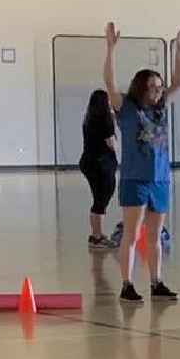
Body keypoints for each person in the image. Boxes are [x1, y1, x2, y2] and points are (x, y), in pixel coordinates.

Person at [103, 22, 180, 304]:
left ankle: (156, 281)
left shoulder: (161, 110)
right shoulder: (127, 109)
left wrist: (179, 51)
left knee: (155, 235)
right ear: (141, 88)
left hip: (160, 179)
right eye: (153, 87)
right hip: (134, 179)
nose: (158, 92)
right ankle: (127, 283)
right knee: (131, 232)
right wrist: (111, 49)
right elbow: (110, 85)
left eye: (160, 88)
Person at [79, 89, 119, 251]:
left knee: (97, 198)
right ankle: (98, 236)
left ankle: (96, 235)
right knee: (102, 198)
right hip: (101, 163)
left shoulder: (88, 120)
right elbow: (111, 143)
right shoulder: (105, 120)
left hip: (88, 162)